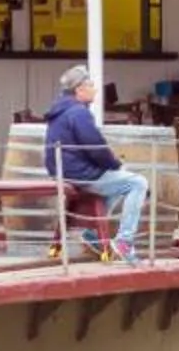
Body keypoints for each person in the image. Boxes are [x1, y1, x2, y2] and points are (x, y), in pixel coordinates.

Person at [46, 63, 145, 261]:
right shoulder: (78, 113)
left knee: (116, 181)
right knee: (137, 183)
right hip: (80, 174)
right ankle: (125, 241)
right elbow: (96, 148)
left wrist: (112, 166)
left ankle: (93, 236)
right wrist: (116, 163)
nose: (95, 89)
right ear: (79, 89)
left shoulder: (61, 110)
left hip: (64, 172)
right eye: (91, 85)